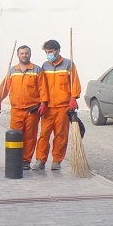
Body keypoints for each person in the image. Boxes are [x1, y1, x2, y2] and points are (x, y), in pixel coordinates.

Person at [0, 45, 48, 170]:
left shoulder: (37, 70)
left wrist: (43, 104)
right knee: (15, 136)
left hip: (32, 110)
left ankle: (26, 161)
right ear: (18, 55)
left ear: (30, 54)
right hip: (16, 110)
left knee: (30, 136)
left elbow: (43, 88)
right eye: (22, 53)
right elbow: (4, 87)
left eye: (26, 53)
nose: (24, 55)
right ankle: (15, 158)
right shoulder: (12, 71)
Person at [32, 39, 81, 171]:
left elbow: (75, 82)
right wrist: (42, 103)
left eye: (51, 51)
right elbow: (42, 86)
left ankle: (56, 161)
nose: (49, 54)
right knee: (44, 134)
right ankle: (40, 160)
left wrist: (73, 98)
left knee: (61, 134)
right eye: (46, 52)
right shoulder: (44, 66)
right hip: (48, 108)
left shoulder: (68, 64)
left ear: (58, 51)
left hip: (63, 107)